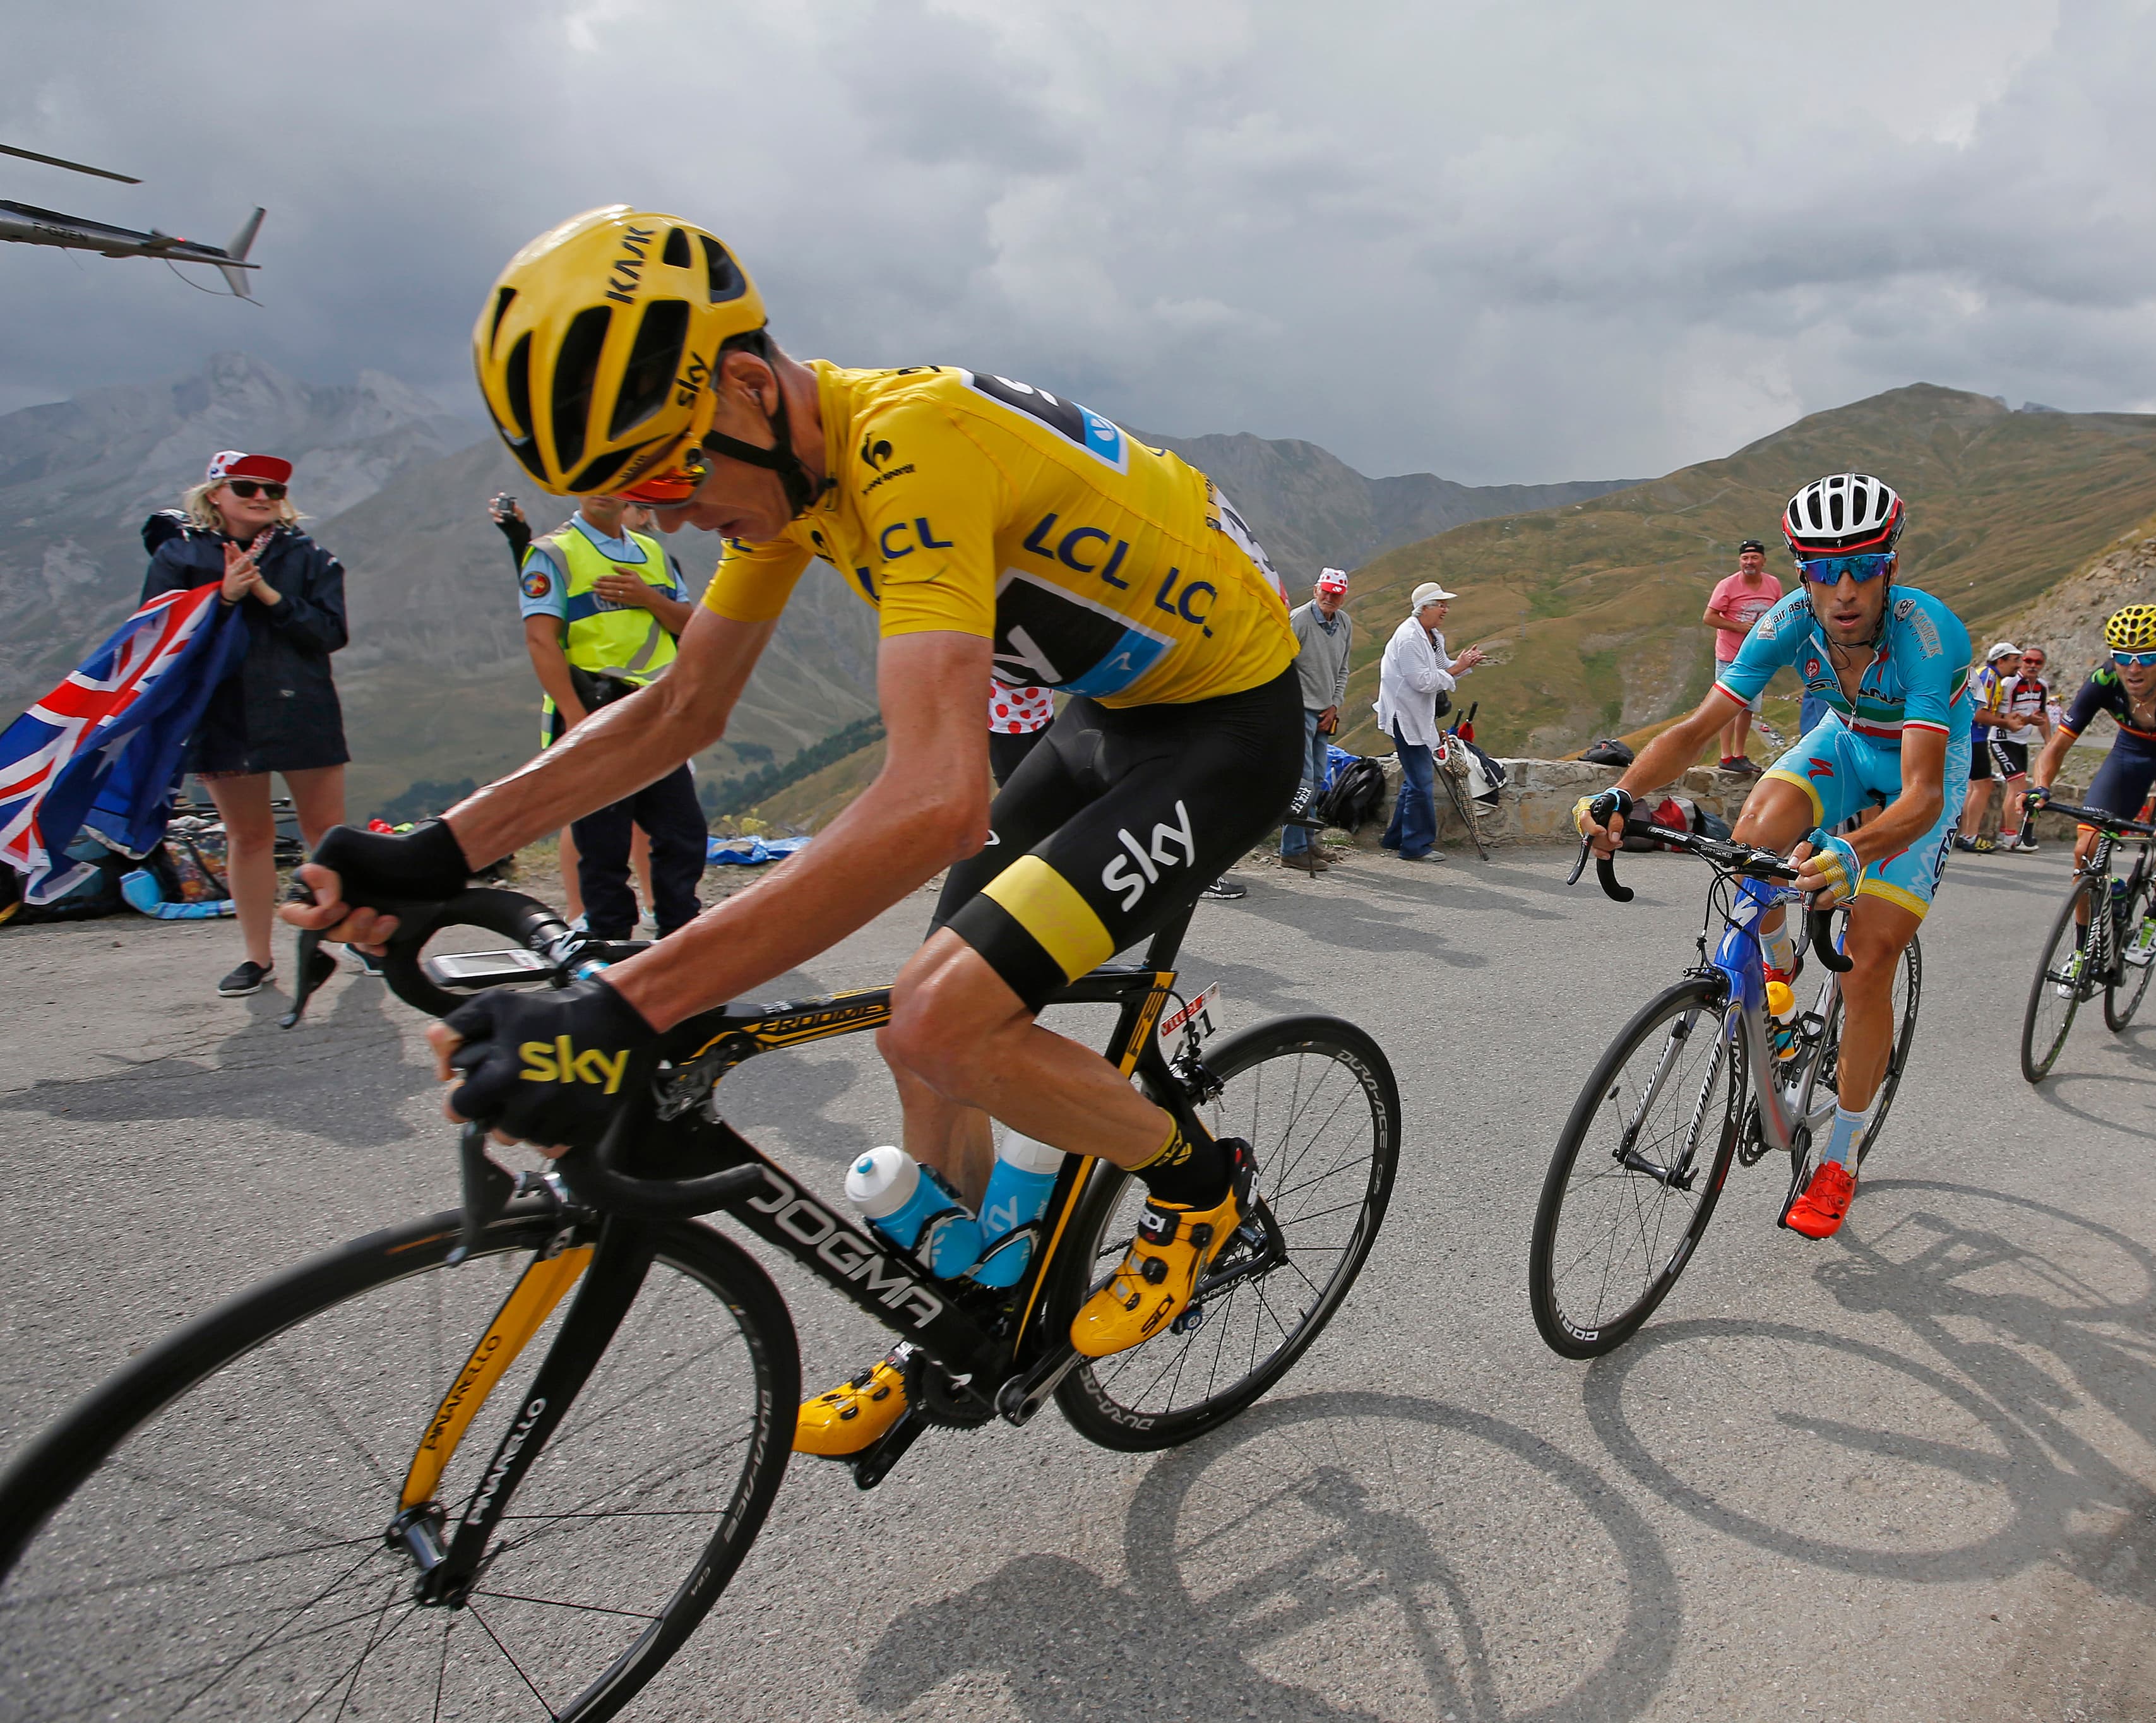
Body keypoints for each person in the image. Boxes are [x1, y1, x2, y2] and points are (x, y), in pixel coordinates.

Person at [286, 206, 1303, 1458]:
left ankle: (1196, 1187)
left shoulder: (911, 448)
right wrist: (439, 849)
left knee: (944, 1012)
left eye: (669, 480)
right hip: (1112, 712)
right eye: (634, 499)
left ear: (752, 387)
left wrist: (624, 1005)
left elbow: (937, 799)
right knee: (918, 1035)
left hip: (1226, 731)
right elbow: (682, 706)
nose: (666, 520)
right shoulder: (789, 474)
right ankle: (960, 1311)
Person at [1578, 473, 1968, 1241]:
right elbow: (1697, 730)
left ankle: (1841, 1157)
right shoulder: (1790, 620)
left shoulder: (1929, 633)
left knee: (1868, 954)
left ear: (1891, 566)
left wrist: (1852, 853)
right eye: (1825, 571)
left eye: (1863, 567)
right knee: (1755, 836)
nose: (1845, 590)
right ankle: (1780, 987)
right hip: (1851, 743)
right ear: (1802, 575)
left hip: (1922, 774)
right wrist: (1622, 795)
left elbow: (1921, 795)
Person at [141, 451, 350, 998]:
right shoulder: (178, 554)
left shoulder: (310, 555)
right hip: (221, 712)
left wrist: (271, 597)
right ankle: (257, 958)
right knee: (249, 836)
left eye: (274, 491)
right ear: (215, 494)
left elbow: (330, 631)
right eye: (247, 487)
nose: (262, 497)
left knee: (325, 833)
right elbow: (157, 634)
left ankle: (360, 938)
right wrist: (224, 597)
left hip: (300, 703)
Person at [515, 491, 708, 942]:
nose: (602, 490)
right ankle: (610, 938)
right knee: (603, 840)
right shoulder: (552, 554)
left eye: (613, 481)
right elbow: (541, 641)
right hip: (593, 708)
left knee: (681, 831)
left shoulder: (652, 551)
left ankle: (680, 930)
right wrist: (575, 715)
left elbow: (689, 623)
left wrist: (646, 597)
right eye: (591, 482)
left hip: (655, 710)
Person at [2027, 605, 2156, 970]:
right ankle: (2084, 950)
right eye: (2122, 656)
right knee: (2085, 849)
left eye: (2147, 657)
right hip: (2132, 752)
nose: (2134, 668)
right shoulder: (2104, 681)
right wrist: (2041, 787)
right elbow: (2055, 748)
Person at [492, 494, 658, 924]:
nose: (640, 513)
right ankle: (581, 911)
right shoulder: (566, 549)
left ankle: (653, 904)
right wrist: (573, 711)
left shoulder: (651, 556)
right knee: (585, 810)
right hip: (590, 698)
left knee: (646, 811)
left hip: (650, 698)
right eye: (640, 506)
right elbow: (543, 613)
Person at [1374, 581, 1484, 862]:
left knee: (1415, 779)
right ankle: (1415, 846)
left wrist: (1462, 665)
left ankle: (1396, 838)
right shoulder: (1410, 638)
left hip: (1417, 716)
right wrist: (1457, 669)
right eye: (1441, 604)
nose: (1446, 609)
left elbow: (1440, 669)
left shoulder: (1431, 635)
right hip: (1406, 716)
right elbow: (1422, 680)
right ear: (1424, 608)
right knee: (1421, 780)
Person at [1282, 568, 1354, 874]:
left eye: (1336, 594)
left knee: (1317, 780)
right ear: (1315, 590)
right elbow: (1281, 662)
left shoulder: (1344, 623)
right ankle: (1292, 850)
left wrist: (1334, 706)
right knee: (1303, 781)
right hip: (1299, 711)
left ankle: (1309, 843)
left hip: (1324, 713)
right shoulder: (1299, 620)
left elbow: (1343, 669)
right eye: (1325, 591)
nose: (1330, 598)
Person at [1702, 540, 1784, 772]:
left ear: (1763, 561)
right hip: (1730, 656)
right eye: (1745, 558)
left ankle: (1740, 754)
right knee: (1727, 706)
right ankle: (1726, 757)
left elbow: (1779, 613)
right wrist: (1739, 627)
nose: (1750, 562)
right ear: (1740, 561)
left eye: (1755, 558)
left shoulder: (1773, 584)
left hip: (1759, 657)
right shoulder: (1727, 586)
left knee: (1748, 707)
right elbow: (1709, 617)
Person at [1954, 641, 2027, 853]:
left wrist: (2006, 717)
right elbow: (1977, 713)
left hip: (1971, 736)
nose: (2019, 665)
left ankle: (1965, 834)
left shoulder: (1990, 676)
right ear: (2000, 660)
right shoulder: (1988, 678)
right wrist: (2006, 723)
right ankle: (1970, 836)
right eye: (2015, 661)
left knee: (1974, 786)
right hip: (1973, 736)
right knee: (1983, 786)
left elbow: (1987, 711)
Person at [1997, 647, 2052, 850]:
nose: (2032, 665)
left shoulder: (2042, 686)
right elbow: (2004, 717)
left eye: (2038, 663)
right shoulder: (2010, 683)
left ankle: (2005, 833)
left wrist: (2050, 743)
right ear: (2022, 662)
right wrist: (2029, 719)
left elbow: (2042, 716)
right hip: (2002, 739)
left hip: (2021, 741)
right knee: (2018, 786)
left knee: (2019, 785)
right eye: (2028, 660)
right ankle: (2011, 838)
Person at [987, 679, 1055, 788]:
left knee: (1052, 777)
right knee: (1014, 789)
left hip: (1043, 713)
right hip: (1007, 726)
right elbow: (1011, 682)